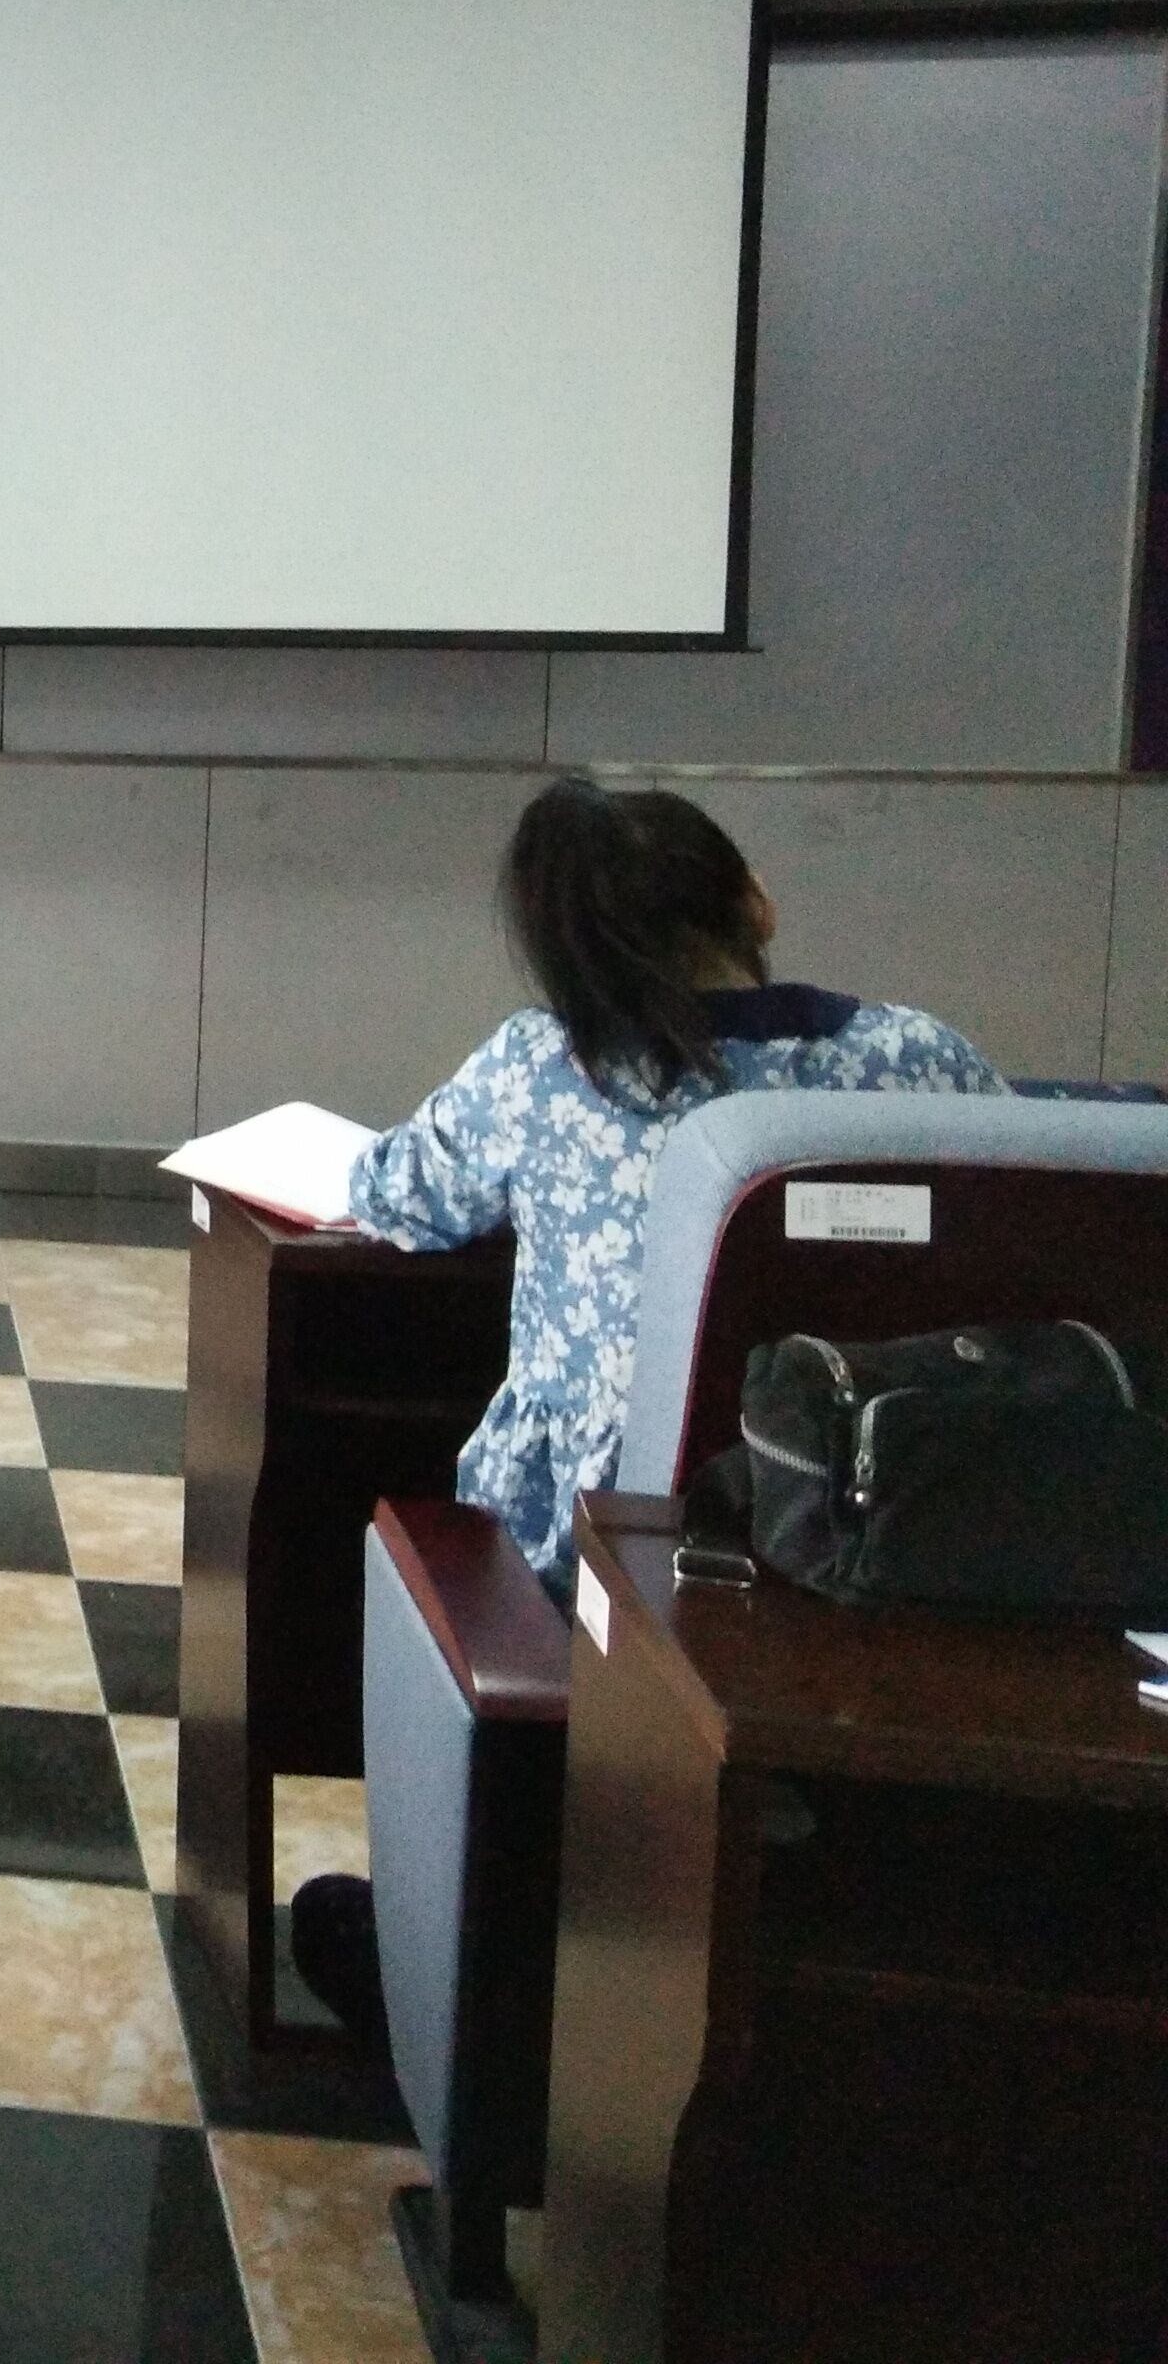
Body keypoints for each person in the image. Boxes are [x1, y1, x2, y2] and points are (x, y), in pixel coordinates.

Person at [289, 776, 1003, 2041]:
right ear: (753, 902)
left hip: (606, 1562)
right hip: (866, 1537)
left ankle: (490, 1971)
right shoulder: (916, 1060)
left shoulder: (541, 1068)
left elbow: (395, 1193)